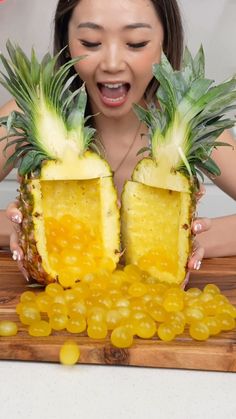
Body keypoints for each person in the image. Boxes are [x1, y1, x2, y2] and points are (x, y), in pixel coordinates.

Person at [0, 0, 236, 276]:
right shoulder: (33, 115)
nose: (112, 64)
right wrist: (24, 232)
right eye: (90, 42)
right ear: (66, 40)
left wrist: (186, 240)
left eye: (136, 43)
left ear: (164, 41)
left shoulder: (188, 125)